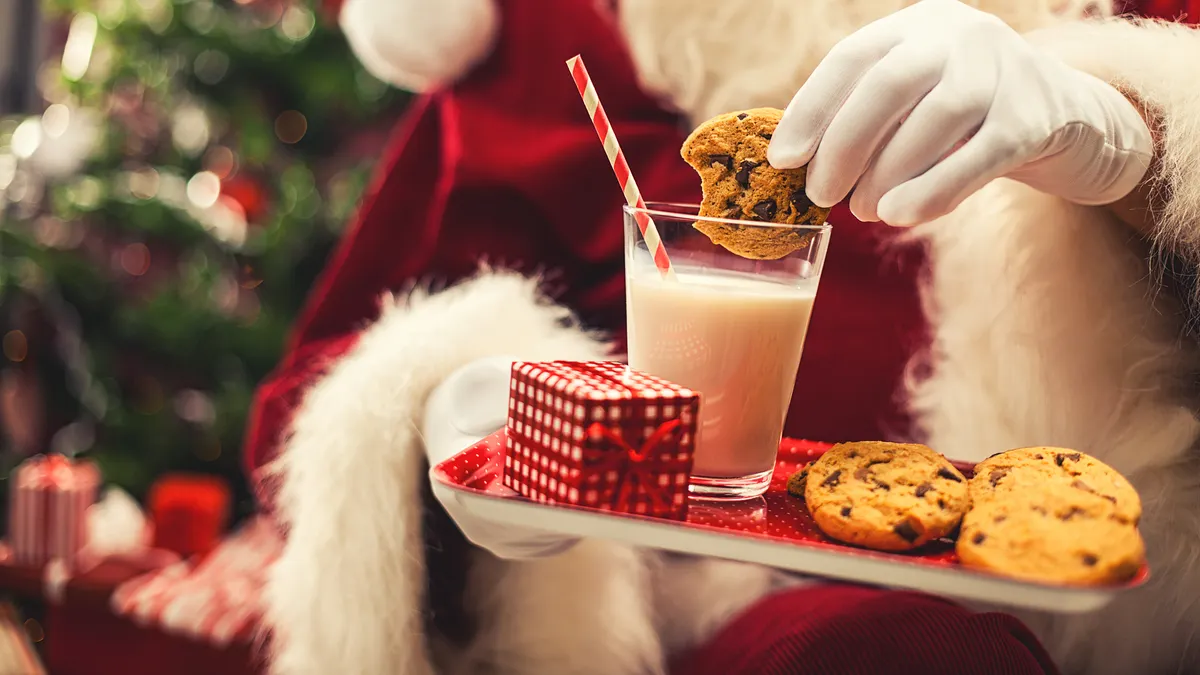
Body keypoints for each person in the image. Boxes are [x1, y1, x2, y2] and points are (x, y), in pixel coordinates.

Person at [249, 0, 1200, 673]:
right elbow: (327, 380)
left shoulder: (1125, 12)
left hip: (1097, 599)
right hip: (708, 600)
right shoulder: (561, 29)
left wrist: (1134, 142)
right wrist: (470, 420)